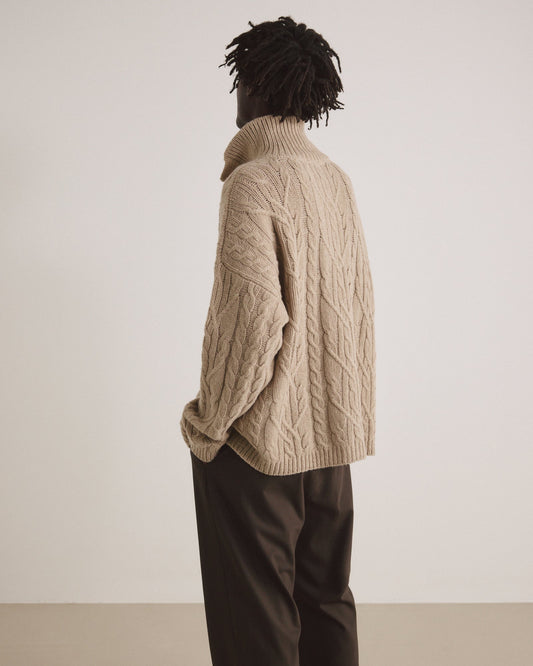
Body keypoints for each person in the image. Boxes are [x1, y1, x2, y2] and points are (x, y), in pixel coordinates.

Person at [180, 15, 376, 666]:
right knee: (326, 602)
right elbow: (353, 307)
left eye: (240, 80)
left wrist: (211, 424)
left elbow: (253, 321)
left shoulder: (253, 181)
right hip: (331, 443)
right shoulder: (333, 178)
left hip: (258, 445)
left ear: (256, 87)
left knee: (255, 622)